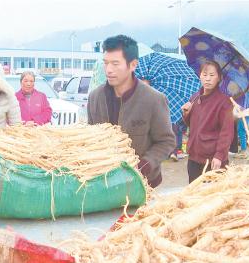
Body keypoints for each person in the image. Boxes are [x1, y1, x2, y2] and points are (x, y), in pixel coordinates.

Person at [87, 35, 175, 188]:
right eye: (106, 63)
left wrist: (143, 166)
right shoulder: (95, 98)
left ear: (133, 64)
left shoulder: (154, 99)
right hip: (104, 182)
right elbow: (90, 138)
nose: (108, 70)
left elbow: (166, 141)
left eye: (115, 64)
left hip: (143, 183)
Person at [181, 60, 234, 183]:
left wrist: (219, 155)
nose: (208, 79)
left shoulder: (224, 102)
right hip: (194, 157)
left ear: (219, 78)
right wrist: (186, 114)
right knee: (194, 195)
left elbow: (227, 132)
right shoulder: (194, 97)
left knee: (213, 198)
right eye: (205, 75)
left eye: (212, 75)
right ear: (200, 76)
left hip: (213, 160)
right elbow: (192, 126)